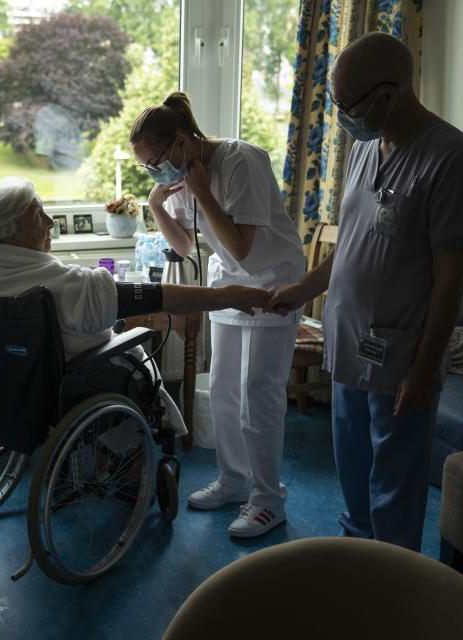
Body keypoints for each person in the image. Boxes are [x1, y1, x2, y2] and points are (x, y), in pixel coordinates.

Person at [264, 32, 463, 551]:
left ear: (388, 96)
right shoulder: (366, 149)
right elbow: (351, 246)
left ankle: (393, 578)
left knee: (395, 478)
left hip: (401, 353)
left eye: (348, 105)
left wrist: (427, 365)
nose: (342, 116)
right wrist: (301, 288)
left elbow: (453, 279)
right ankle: (356, 559)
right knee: (353, 469)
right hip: (347, 342)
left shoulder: (450, 158)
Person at [0, 176, 274, 436]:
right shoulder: (62, 286)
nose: (50, 222)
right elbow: (159, 296)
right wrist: (224, 296)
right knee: (138, 361)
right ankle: (128, 463)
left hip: (9, 385)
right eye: (37, 216)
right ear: (10, 232)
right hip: (68, 388)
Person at [129, 91, 306, 538]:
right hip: (227, 286)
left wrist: (203, 191)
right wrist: (155, 206)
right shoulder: (187, 174)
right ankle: (233, 479)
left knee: (258, 394)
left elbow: (243, 248)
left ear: (183, 143)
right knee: (224, 387)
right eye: (146, 167)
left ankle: (268, 499)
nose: (154, 171)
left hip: (272, 284)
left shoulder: (242, 160)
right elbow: (186, 246)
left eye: (155, 162)